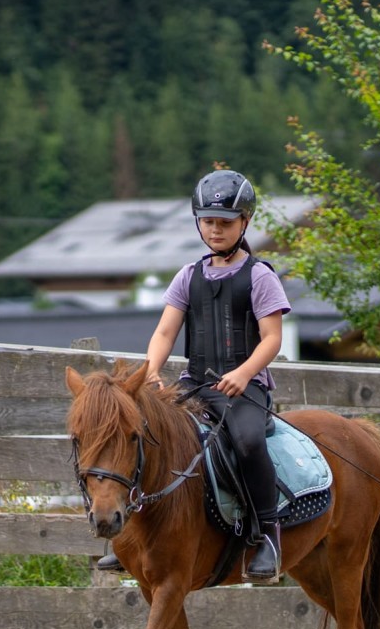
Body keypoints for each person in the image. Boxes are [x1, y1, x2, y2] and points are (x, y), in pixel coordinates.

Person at [98, 168, 291, 580]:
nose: (216, 230)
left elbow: (272, 339)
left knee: (249, 441)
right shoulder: (189, 275)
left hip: (244, 388)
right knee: (148, 434)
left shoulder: (260, 276)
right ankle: (130, 532)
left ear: (245, 222)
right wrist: (149, 372)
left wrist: (244, 373)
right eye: (208, 221)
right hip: (195, 385)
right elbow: (165, 332)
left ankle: (267, 532)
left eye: (225, 222)